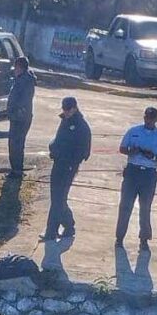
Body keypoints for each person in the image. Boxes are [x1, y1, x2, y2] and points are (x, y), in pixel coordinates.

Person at [116, 107, 157, 252]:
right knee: (125, 206)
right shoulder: (133, 131)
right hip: (132, 171)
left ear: (156, 120)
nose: (149, 121)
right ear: (144, 118)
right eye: (147, 118)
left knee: (145, 207)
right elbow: (122, 148)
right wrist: (131, 151)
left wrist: (153, 157)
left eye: (152, 119)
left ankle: (144, 239)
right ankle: (119, 238)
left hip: (149, 174)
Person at [41, 97, 91, 241]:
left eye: (68, 109)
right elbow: (58, 139)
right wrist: (53, 148)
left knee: (59, 199)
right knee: (57, 198)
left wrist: (72, 163)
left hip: (68, 167)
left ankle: (52, 232)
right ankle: (68, 225)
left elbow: (84, 151)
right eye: (64, 109)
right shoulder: (65, 120)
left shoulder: (81, 126)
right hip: (58, 163)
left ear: (75, 108)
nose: (66, 112)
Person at [7, 56, 36, 176]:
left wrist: (15, 111)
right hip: (18, 116)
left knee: (16, 144)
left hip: (20, 118)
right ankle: (16, 168)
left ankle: (17, 169)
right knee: (15, 144)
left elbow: (23, 100)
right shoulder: (22, 79)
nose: (14, 70)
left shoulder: (24, 81)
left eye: (16, 67)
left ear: (20, 67)